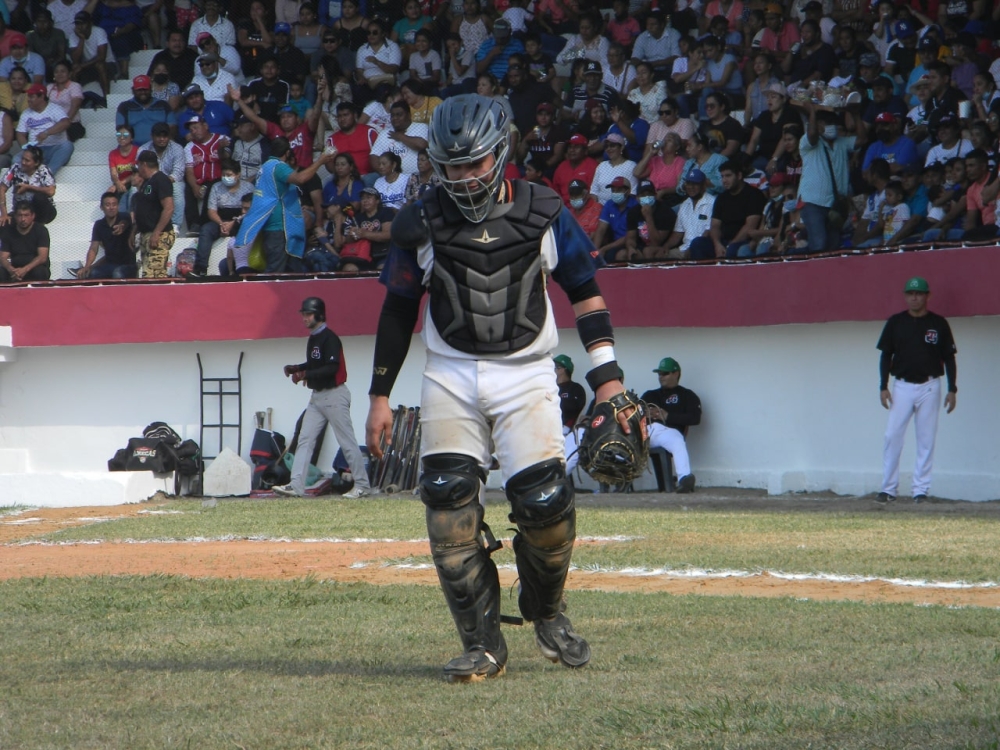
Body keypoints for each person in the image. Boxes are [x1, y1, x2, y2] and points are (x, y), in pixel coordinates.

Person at [365, 94, 633, 682]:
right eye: (451, 166)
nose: (462, 178)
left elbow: (585, 291)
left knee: (546, 506)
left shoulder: (544, 209)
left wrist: (608, 380)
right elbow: (397, 310)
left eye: (475, 163)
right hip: (450, 372)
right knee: (447, 507)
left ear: (502, 152)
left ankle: (548, 611)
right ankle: (482, 645)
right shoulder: (420, 221)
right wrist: (379, 395)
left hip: (528, 370)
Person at [274, 297, 372, 499]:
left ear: (319, 314)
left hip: (334, 394)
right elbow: (315, 364)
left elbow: (331, 368)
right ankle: (296, 486)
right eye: (303, 314)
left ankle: (362, 485)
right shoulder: (314, 338)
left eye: (308, 314)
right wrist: (299, 368)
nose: (304, 318)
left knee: (346, 441)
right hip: (318, 396)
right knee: (305, 440)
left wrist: (305, 374)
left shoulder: (329, 338)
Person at [876, 276, 957, 504]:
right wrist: (883, 386)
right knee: (892, 436)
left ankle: (920, 490)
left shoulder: (938, 323)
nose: (914, 297)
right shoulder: (896, 322)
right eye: (910, 293)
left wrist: (953, 389)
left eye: (919, 293)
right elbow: (885, 355)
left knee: (926, 438)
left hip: (930, 385)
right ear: (905, 296)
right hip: (901, 385)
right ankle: (888, 488)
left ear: (927, 296)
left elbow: (949, 358)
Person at [235, 137, 336, 272]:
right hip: (279, 227)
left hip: (280, 227)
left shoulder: (265, 166)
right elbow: (300, 179)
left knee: (292, 270)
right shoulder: (278, 166)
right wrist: (320, 161)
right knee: (275, 271)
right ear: (287, 153)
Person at [641, 357, 701, 493]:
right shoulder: (650, 395)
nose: (661, 377)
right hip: (646, 433)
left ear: (676, 374)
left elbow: (695, 418)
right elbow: (633, 414)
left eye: (665, 373)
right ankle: (613, 478)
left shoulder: (687, 395)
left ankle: (684, 479)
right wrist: (645, 414)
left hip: (668, 434)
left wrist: (667, 415)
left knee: (676, 438)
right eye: (659, 374)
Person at [189, 159, 254, 277]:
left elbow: (251, 210)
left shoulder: (249, 187)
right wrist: (221, 224)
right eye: (223, 175)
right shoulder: (216, 187)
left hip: (241, 221)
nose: (225, 177)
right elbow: (211, 211)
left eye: (229, 175)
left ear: (238, 174)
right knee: (206, 230)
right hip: (220, 219)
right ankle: (201, 268)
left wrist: (234, 223)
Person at [131, 149, 175, 277]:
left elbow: (169, 208)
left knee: (154, 276)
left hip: (159, 234)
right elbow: (145, 210)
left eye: (138, 165)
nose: (138, 169)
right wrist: (134, 232)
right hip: (146, 234)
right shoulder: (146, 183)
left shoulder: (161, 180)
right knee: (148, 274)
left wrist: (157, 232)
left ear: (144, 164)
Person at [183, 113, 228, 236]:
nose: (193, 131)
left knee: (211, 188)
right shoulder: (189, 147)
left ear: (205, 126)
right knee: (186, 189)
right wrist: (194, 187)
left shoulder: (222, 139)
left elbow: (228, 160)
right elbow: (189, 171)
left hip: (217, 179)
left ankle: (202, 224)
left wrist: (221, 149)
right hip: (199, 180)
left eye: (196, 127)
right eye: (191, 129)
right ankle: (194, 224)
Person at [711, 159, 767, 258]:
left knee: (732, 250)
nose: (724, 180)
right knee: (698, 243)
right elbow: (715, 225)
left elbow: (750, 226)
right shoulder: (721, 198)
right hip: (723, 241)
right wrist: (717, 245)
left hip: (744, 241)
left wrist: (730, 245)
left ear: (739, 176)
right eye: (722, 176)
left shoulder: (754, 195)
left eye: (728, 176)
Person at [74, 191, 136, 279]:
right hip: (110, 265)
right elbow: (93, 248)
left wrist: (122, 226)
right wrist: (87, 266)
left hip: (128, 265)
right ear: (101, 207)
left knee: (118, 273)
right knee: (93, 273)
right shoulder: (99, 225)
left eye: (114, 204)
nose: (111, 207)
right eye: (108, 205)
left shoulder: (125, 216)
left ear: (118, 206)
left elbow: (125, 222)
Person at [15, 84, 74, 176]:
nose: (28, 99)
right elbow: (20, 133)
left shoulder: (54, 108)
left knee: (67, 146)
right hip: (35, 151)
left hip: (54, 148)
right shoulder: (26, 113)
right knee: (16, 159)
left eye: (32, 97)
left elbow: (65, 123)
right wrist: (26, 148)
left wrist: (47, 133)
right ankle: (26, 180)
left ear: (41, 96)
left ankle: (47, 175)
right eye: (28, 97)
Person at [138, 121, 185, 228]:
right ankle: (136, 224)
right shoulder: (143, 149)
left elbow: (178, 173)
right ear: (152, 136)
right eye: (158, 136)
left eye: (165, 136)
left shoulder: (177, 149)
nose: (162, 139)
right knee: (133, 190)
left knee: (177, 189)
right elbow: (139, 171)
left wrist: (161, 183)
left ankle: (175, 225)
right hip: (149, 182)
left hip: (171, 181)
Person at [663, 167, 716, 259]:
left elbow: (709, 232)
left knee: (696, 248)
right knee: (659, 256)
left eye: (695, 184)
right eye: (688, 183)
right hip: (684, 249)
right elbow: (678, 233)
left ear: (703, 185)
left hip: (702, 248)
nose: (691, 187)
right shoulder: (684, 205)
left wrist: (692, 249)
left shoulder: (712, 202)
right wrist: (666, 246)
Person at [0, 145, 57, 225]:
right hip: (22, 210)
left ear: (36, 163)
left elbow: (51, 191)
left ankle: (38, 227)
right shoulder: (15, 169)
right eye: (22, 159)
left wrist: (28, 188)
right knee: (4, 223)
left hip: (43, 211)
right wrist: (4, 214)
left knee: (39, 198)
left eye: (27, 160)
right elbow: (2, 188)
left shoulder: (43, 170)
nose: (23, 162)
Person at [116, 74, 176, 145]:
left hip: (159, 146)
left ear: (151, 89)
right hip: (133, 147)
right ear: (133, 90)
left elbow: (172, 127)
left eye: (145, 89)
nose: (143, 92)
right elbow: (120, 130)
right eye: (139, 90)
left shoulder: (163, 105)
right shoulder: (124, 107)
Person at [69, 10, 114, 100]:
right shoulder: (73, 36)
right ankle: (76, 100)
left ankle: (107, 98)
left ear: (90, 23)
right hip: (89, 67)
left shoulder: (99, 32)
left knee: (99, 65)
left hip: (108, 65)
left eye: (83, 23)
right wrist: (81, 39)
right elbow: (75, 59)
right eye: (77, 24)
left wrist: (82, 66)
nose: (80, 26)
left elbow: (101, 57)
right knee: (74, 70)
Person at [0, 202, 50, 282]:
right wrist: (11, 270)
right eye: (20, 215)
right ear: (15, 216)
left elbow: (42, 257)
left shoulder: (41, 230)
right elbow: (3, 257)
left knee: (40, 272)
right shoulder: (8, 231)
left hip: (33, 268)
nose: (23, 219)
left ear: (32, 216)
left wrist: (25, 269)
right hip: (15, 269)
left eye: (26, 215)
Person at [554, 354, 586, 433]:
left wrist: (567, 427)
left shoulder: (576, 388)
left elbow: (575, 410)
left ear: (562, 369)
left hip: (566, 430)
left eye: (555, 367)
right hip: (546, 428)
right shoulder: (550, 387)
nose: (553, 369)